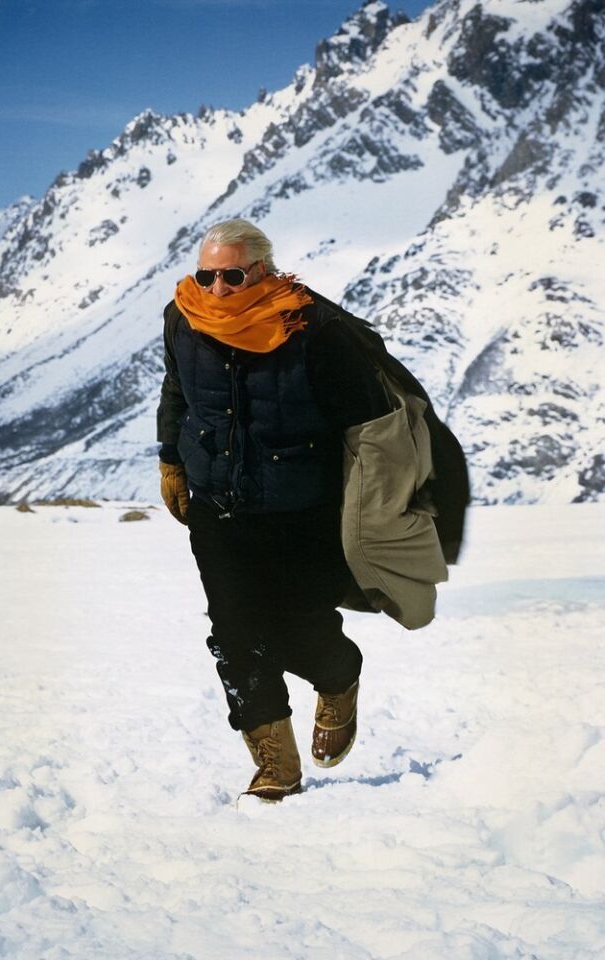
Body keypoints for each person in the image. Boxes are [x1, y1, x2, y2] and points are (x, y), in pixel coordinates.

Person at [157, 218, 391, 802]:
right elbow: (177, 393)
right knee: (234, 633)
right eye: (205, 275)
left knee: (294, 627)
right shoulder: (182, 318)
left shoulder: (315, 327)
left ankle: (338, 675)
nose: (215, 290)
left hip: (300, 509)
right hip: (216, 504)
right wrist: (171, 460)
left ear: (262, 269)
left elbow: (368, 423)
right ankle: (275, 766)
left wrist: (375, 502)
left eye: (230, 276)